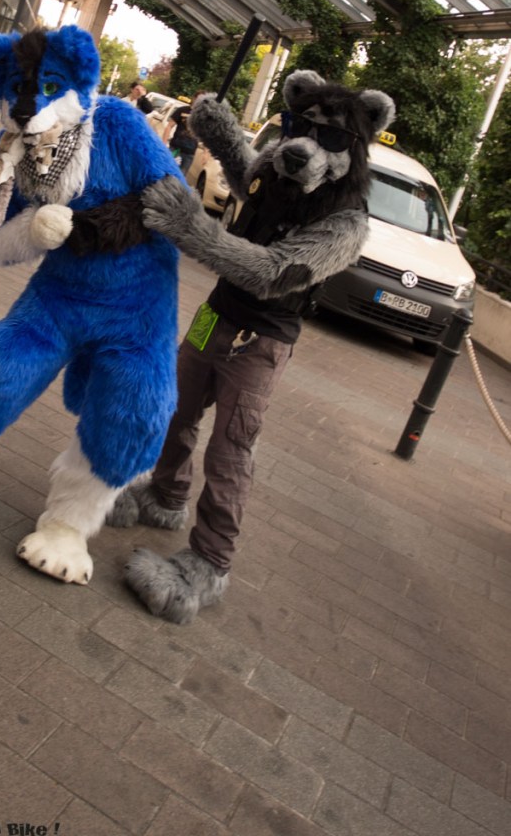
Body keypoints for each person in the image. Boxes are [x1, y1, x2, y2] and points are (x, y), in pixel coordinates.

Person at [109, 71, 396, 624]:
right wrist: (217, 128)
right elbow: (249, 175)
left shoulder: (346, 225)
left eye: (332, 140)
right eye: (301, 127)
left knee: (230, 450)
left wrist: (191, 227)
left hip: (260, 341)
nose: (306, 146)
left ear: (355, 150)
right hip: (213, 315)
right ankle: (165, 495)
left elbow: (270, 274)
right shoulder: (278, 168)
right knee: (175, 407)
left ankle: (210, 563)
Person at [162, 90, 206, 175]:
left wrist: (206, 153)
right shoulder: (182, 110)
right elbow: (169, 126)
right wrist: (164, 143)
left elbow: (206, 136)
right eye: (199, 98)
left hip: (189, 153)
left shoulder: (204, 117)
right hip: (175, 148)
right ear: (194, 98)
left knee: (180, 178)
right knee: (166, 172)